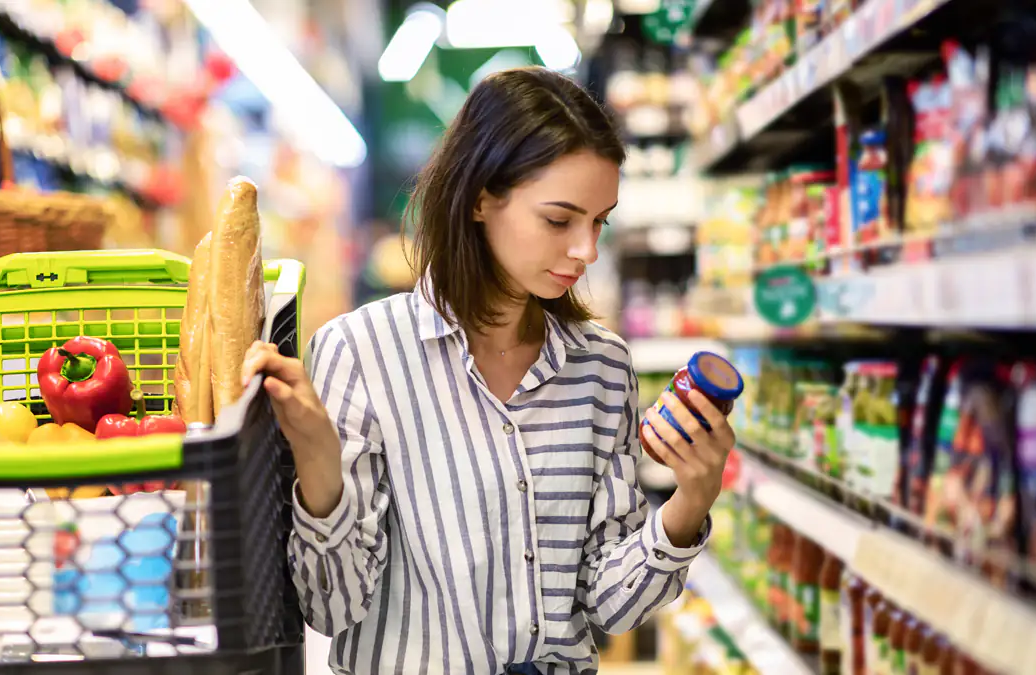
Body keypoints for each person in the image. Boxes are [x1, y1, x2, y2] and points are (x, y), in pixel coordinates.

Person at [241, 67, 736, 675]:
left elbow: (611, 605)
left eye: (599, 220)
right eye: (559, 220)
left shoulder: (601, 366)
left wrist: (691, 500)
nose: (587, 249)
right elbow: (332, 607)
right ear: (480, 198)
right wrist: (320, 470)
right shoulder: (362, 351)